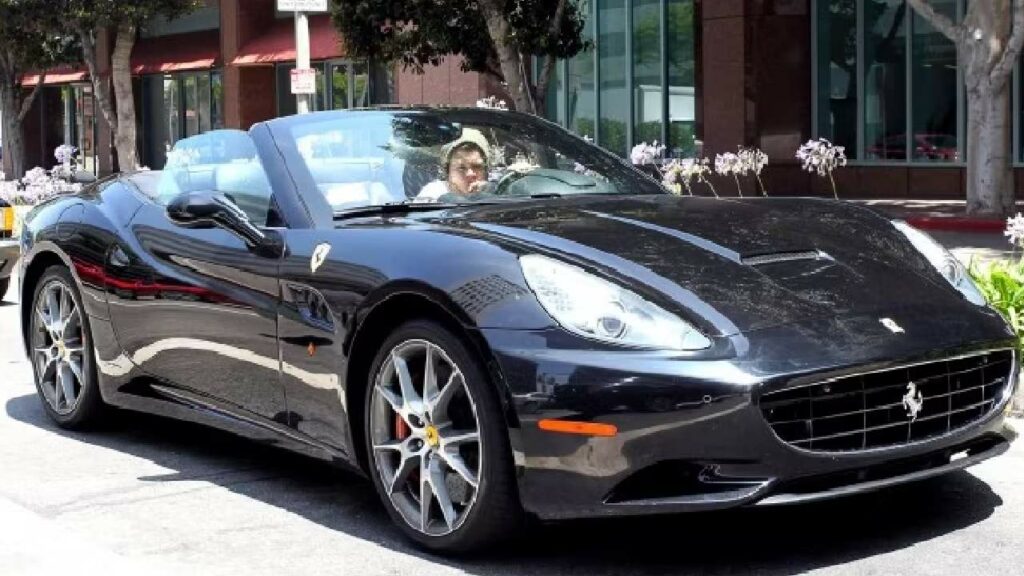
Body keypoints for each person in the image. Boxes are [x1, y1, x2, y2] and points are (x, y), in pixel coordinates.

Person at [415, 128, 491, 202]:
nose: (470, 174)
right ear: (448, 172)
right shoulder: (432, 195)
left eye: (477, 167)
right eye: (461, 168)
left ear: (486, 170)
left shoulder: (495, 192)